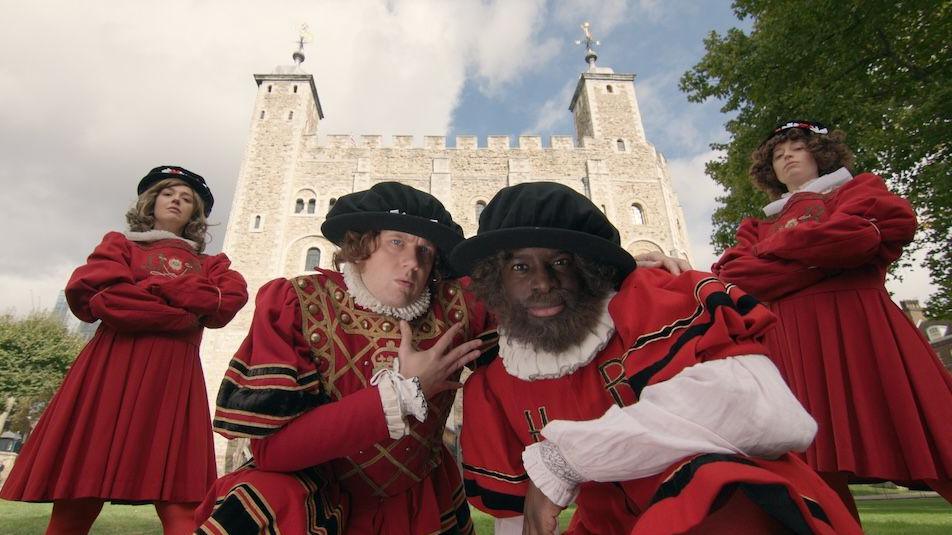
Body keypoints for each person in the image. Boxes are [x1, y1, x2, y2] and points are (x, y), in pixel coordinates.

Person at [452, 182, 863, 535]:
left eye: (561, 262)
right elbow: (519, 515)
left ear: (590, 269)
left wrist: (564, 459)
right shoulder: (494, 383)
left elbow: (757, 408)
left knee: (714, 481)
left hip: (733, 512)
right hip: (610, 525)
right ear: (495, 281)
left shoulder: (653, 300)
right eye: (520, 266)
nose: (542, 283)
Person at [194, 182, 494, 535]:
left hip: (422, 504)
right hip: (319, 504)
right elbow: (272, 452)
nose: (412, 263)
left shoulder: (460, 306)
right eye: (396, 242)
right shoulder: (299, 303)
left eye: (425, 250)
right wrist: (401, 394)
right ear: (361, 245)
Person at [712, 120, 952, 515]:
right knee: (815, 477)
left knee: (924, 437)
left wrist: (778, 252)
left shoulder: (860, 189)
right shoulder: (756, 226)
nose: (787, 156)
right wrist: (818, 251)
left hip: (860, 327)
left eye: (796, 148)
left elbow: (857, 238)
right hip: (791, 345)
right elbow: (736, 276)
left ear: (819, 153)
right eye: (777, 154)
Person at [0, 166, 249, 535]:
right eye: (169, 193)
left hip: (173, 381)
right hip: (111, 369)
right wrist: (184, 312)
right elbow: (104, 300)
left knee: (181, 503)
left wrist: (149, 290)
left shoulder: (214, 264)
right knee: (80, 491)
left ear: (195, 214)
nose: (177, 200)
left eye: (186, 198)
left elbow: (227, 300)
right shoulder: (119, 245)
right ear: (151, 201)